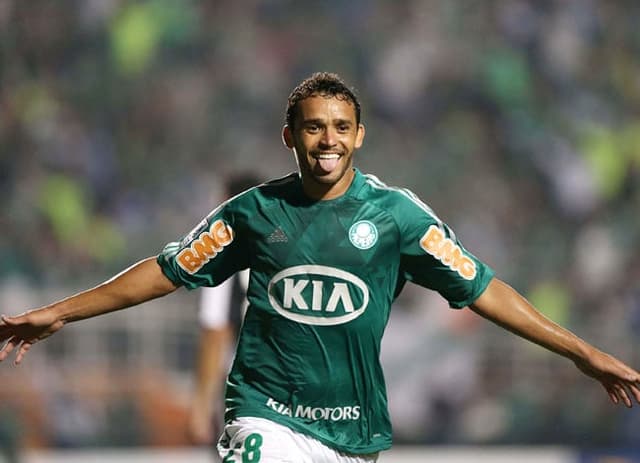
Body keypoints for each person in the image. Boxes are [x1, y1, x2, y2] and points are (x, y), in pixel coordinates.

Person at [1, 72, 639, 462]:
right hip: (263, 415)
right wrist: (59, 311)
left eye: (339, 127)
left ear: (359, 135)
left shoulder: (399, 217)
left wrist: (581, 352)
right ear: (289, 136)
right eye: (312, 128)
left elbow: (484, 290)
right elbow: (166, 271)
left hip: (352, 432)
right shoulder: (252, 213)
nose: (326, 139)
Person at [188, 174, 259, 454]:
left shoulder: (223, 257)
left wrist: (202, 405)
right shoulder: (288, 252)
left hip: (244, 392)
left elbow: (216, 332)